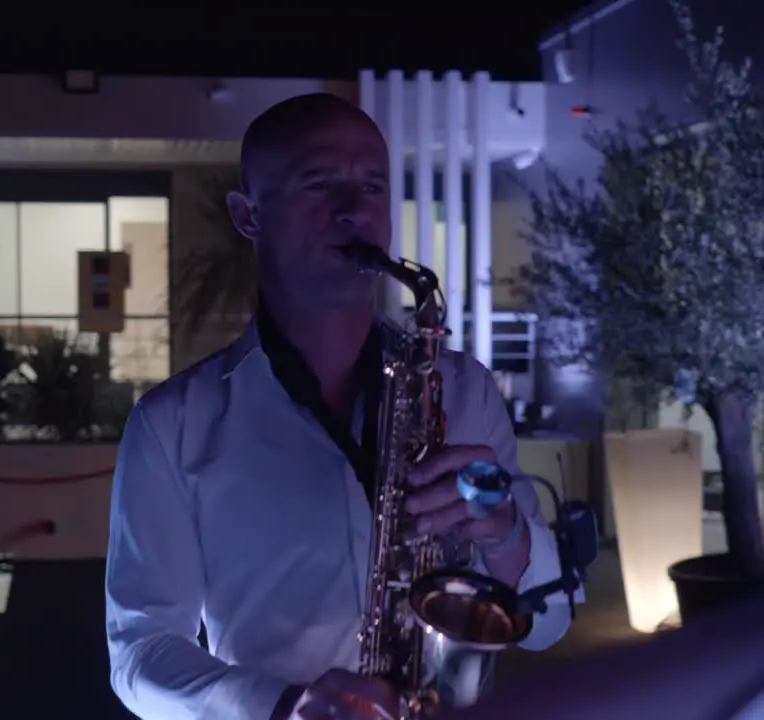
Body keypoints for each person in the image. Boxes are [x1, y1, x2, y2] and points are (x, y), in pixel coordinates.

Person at [105, 93, 575, 720]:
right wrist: (283, 706)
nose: (355, 210)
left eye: (374, 187)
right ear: (249, 216)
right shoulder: (172, 427)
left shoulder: (464, 391)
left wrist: (503, 527)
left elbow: (549, 622)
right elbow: (140, 654)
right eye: (320, 183)